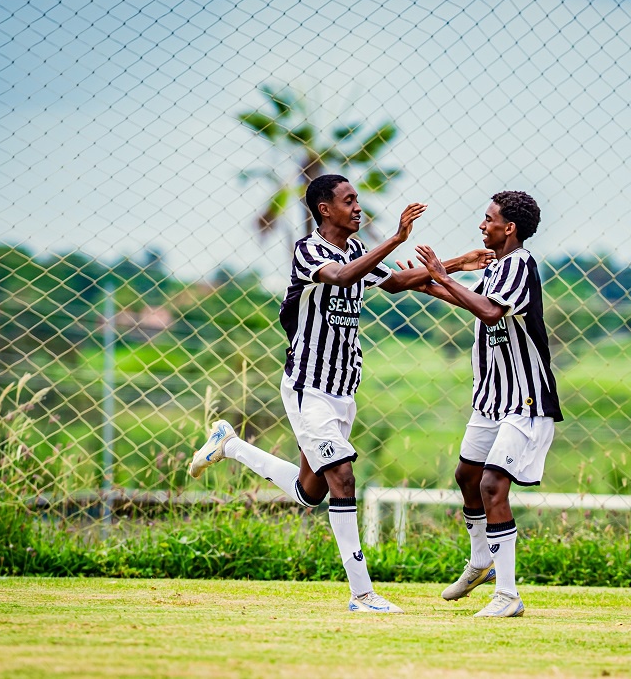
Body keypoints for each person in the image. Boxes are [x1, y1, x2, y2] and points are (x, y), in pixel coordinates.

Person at [188, 174, 493, 614]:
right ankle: (362, 594)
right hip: (308, 387)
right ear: (324, 209)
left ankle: (230, 446)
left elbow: (394, 281)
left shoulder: (355, 251)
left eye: (358, 200)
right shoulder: (310, 250)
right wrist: (396, 237)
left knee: (309, 491)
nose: (357, 207)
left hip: (342, 391)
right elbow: (342, 276)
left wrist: (457, 265)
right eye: (349, 201)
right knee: (343, 477)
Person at [412, 190, 562, 618]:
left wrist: (442, 275)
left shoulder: (520, 264)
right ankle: (481, 562)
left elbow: (491, 313)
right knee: (467, 477)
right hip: (491, 399)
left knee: (493, 486)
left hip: (525, 398)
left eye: (488, 218)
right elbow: (474, 301)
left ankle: (508, 596)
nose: (482, 225)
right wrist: (433, 284)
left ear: (509, 228)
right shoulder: (497, 267)